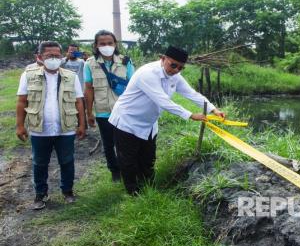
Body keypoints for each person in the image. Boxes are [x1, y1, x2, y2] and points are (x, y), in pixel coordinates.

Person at [109, 45, 225, 195]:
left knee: (148, 159)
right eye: (174, 65)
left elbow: (192, 94)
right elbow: (163, 101)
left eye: (181, 68)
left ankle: (149, 189)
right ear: (163, 59)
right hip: (127, 121)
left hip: (149, 123)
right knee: (129, 161)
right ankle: (133, 193)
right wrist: (190, 114)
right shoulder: (148, 73)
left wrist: (213, 109)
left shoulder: (174, 76)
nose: (176, 70)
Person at [16, 41, 86, 210]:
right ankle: (40, 194)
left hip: (66, 128)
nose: (54, 59)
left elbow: (78, 102)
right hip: (39, 129)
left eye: (57, 55)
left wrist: (82, 124)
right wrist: (20, 126)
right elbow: (21, 101)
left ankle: (67, 191)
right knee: (39, 163)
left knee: (67, 161)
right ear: (40, 57)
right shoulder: (28, 75)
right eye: (49, 56)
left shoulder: (71, 76)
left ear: (61, 57)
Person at [84, 30, 135, 181]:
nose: (106, 46)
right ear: (96, 45)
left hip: (123, 111)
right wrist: (89, 113)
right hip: (103, 112)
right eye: (102, 43)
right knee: (108, 144)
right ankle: (114, 171)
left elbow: (134, 86)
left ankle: (127, 169)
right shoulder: (90, 64)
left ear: (115, 44)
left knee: (125, 142)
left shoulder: (126, 61)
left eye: (109, 43)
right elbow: (88, 89)